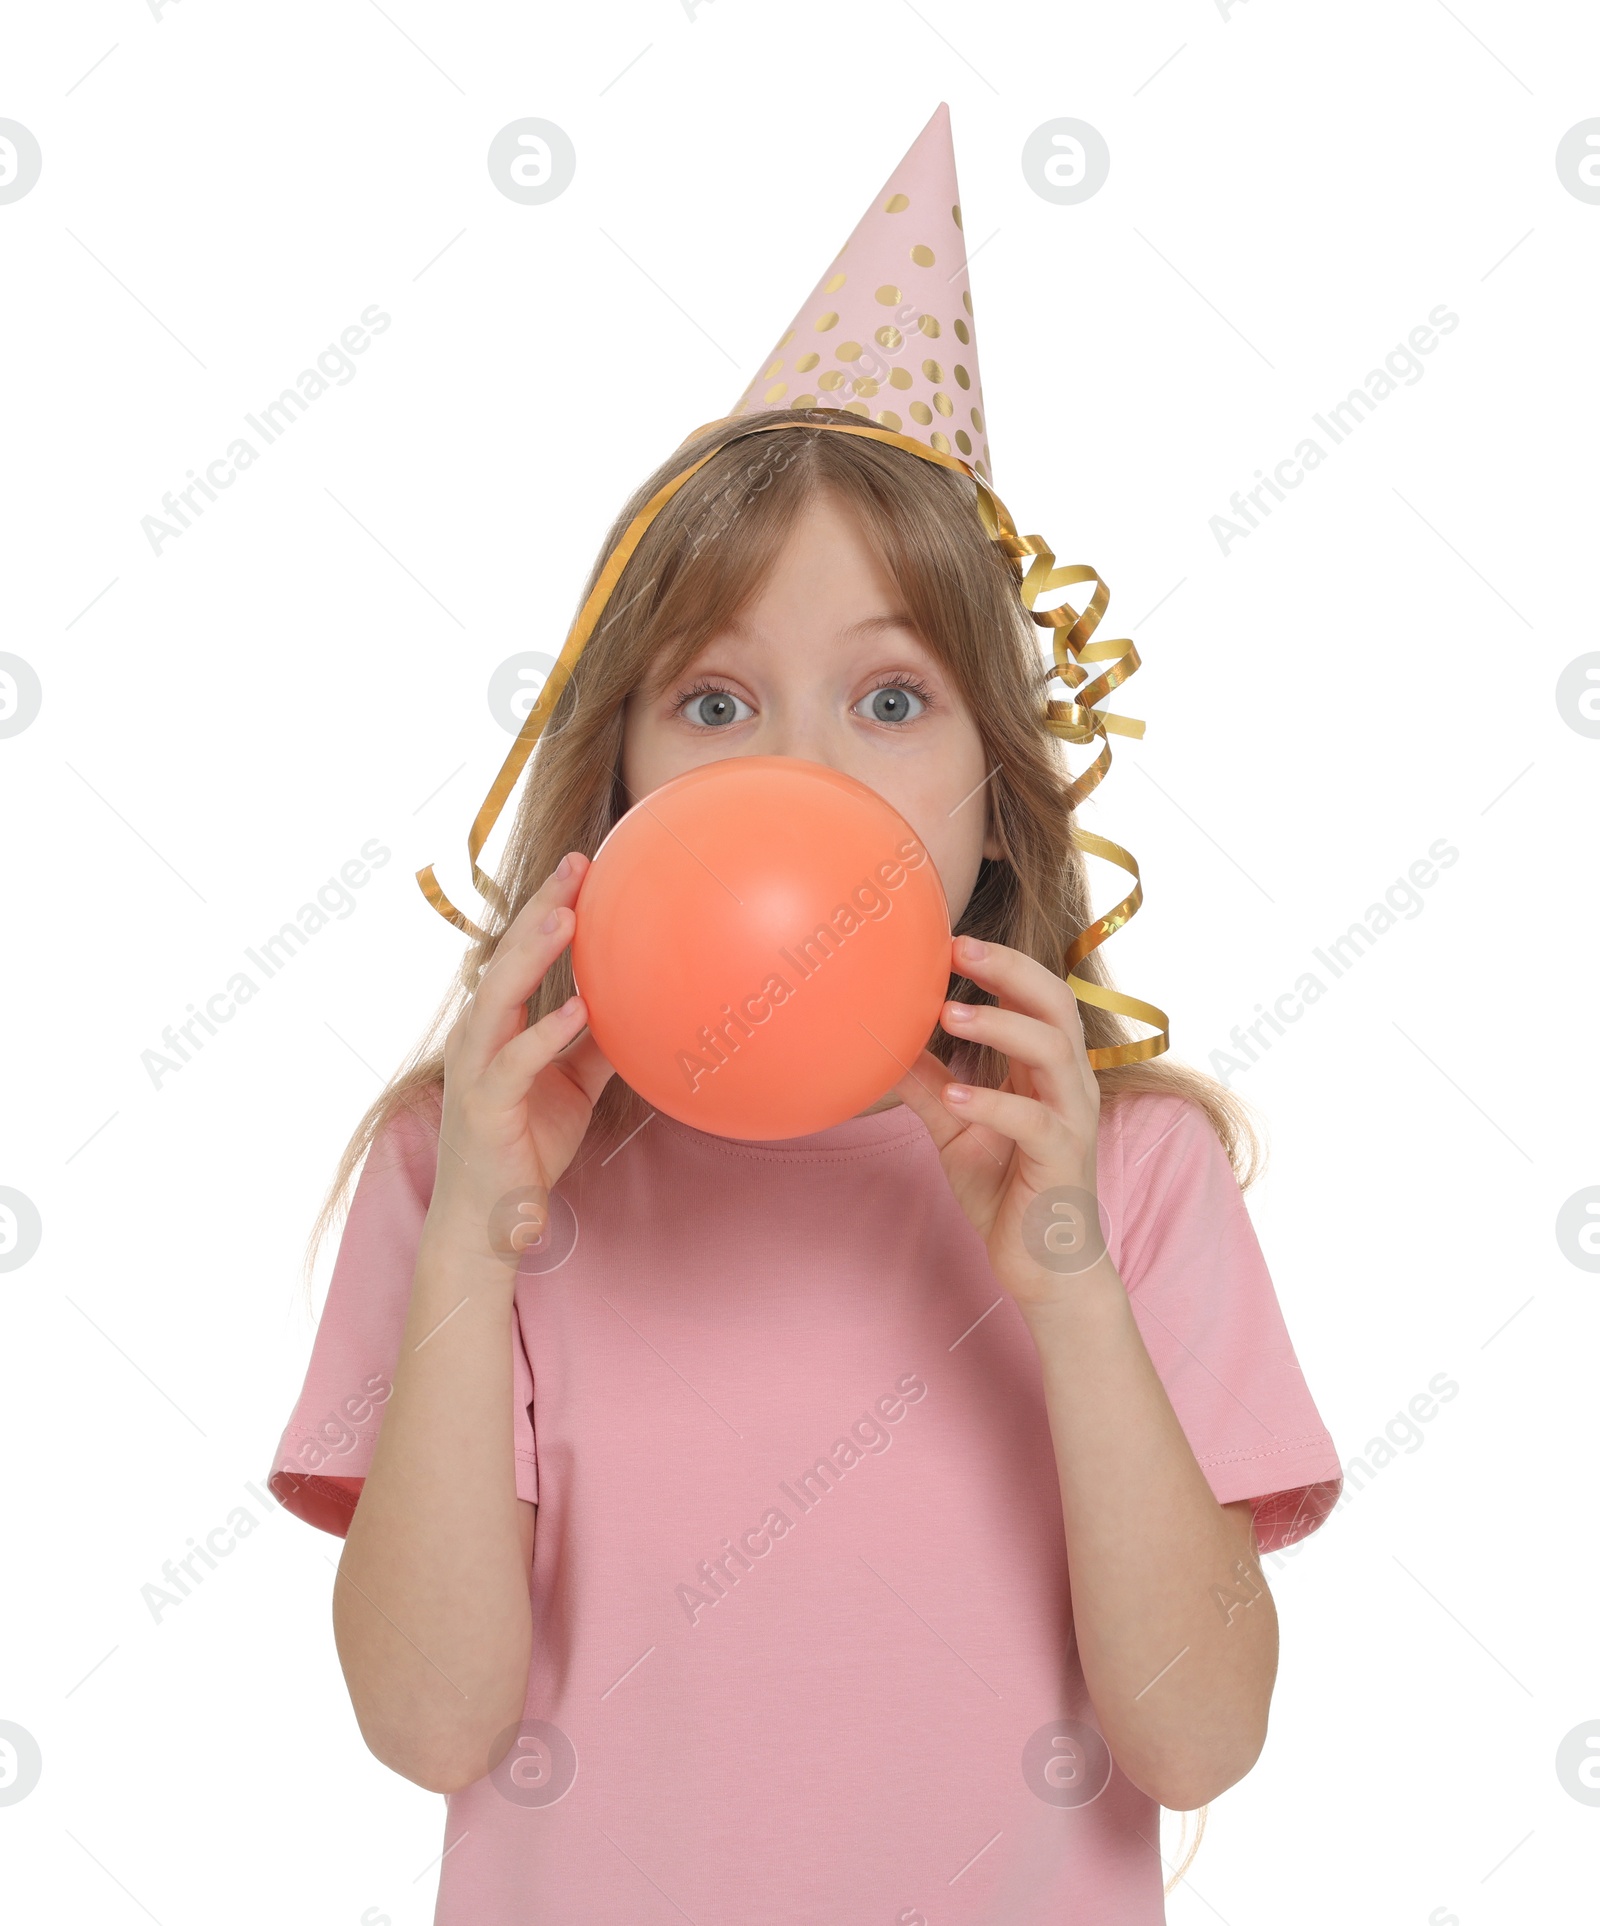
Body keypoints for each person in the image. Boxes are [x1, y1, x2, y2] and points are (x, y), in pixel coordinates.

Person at [267, 104, 1342, 1924]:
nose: (798, 769)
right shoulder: (465, 1156)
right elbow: (431, 1720)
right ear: (614, 777)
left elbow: (1204, 1740)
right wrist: (470, 1233)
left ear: (1000, 792)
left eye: (893, 699)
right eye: (712, 700)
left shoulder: (1133, 1166)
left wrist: (1064, 1276)